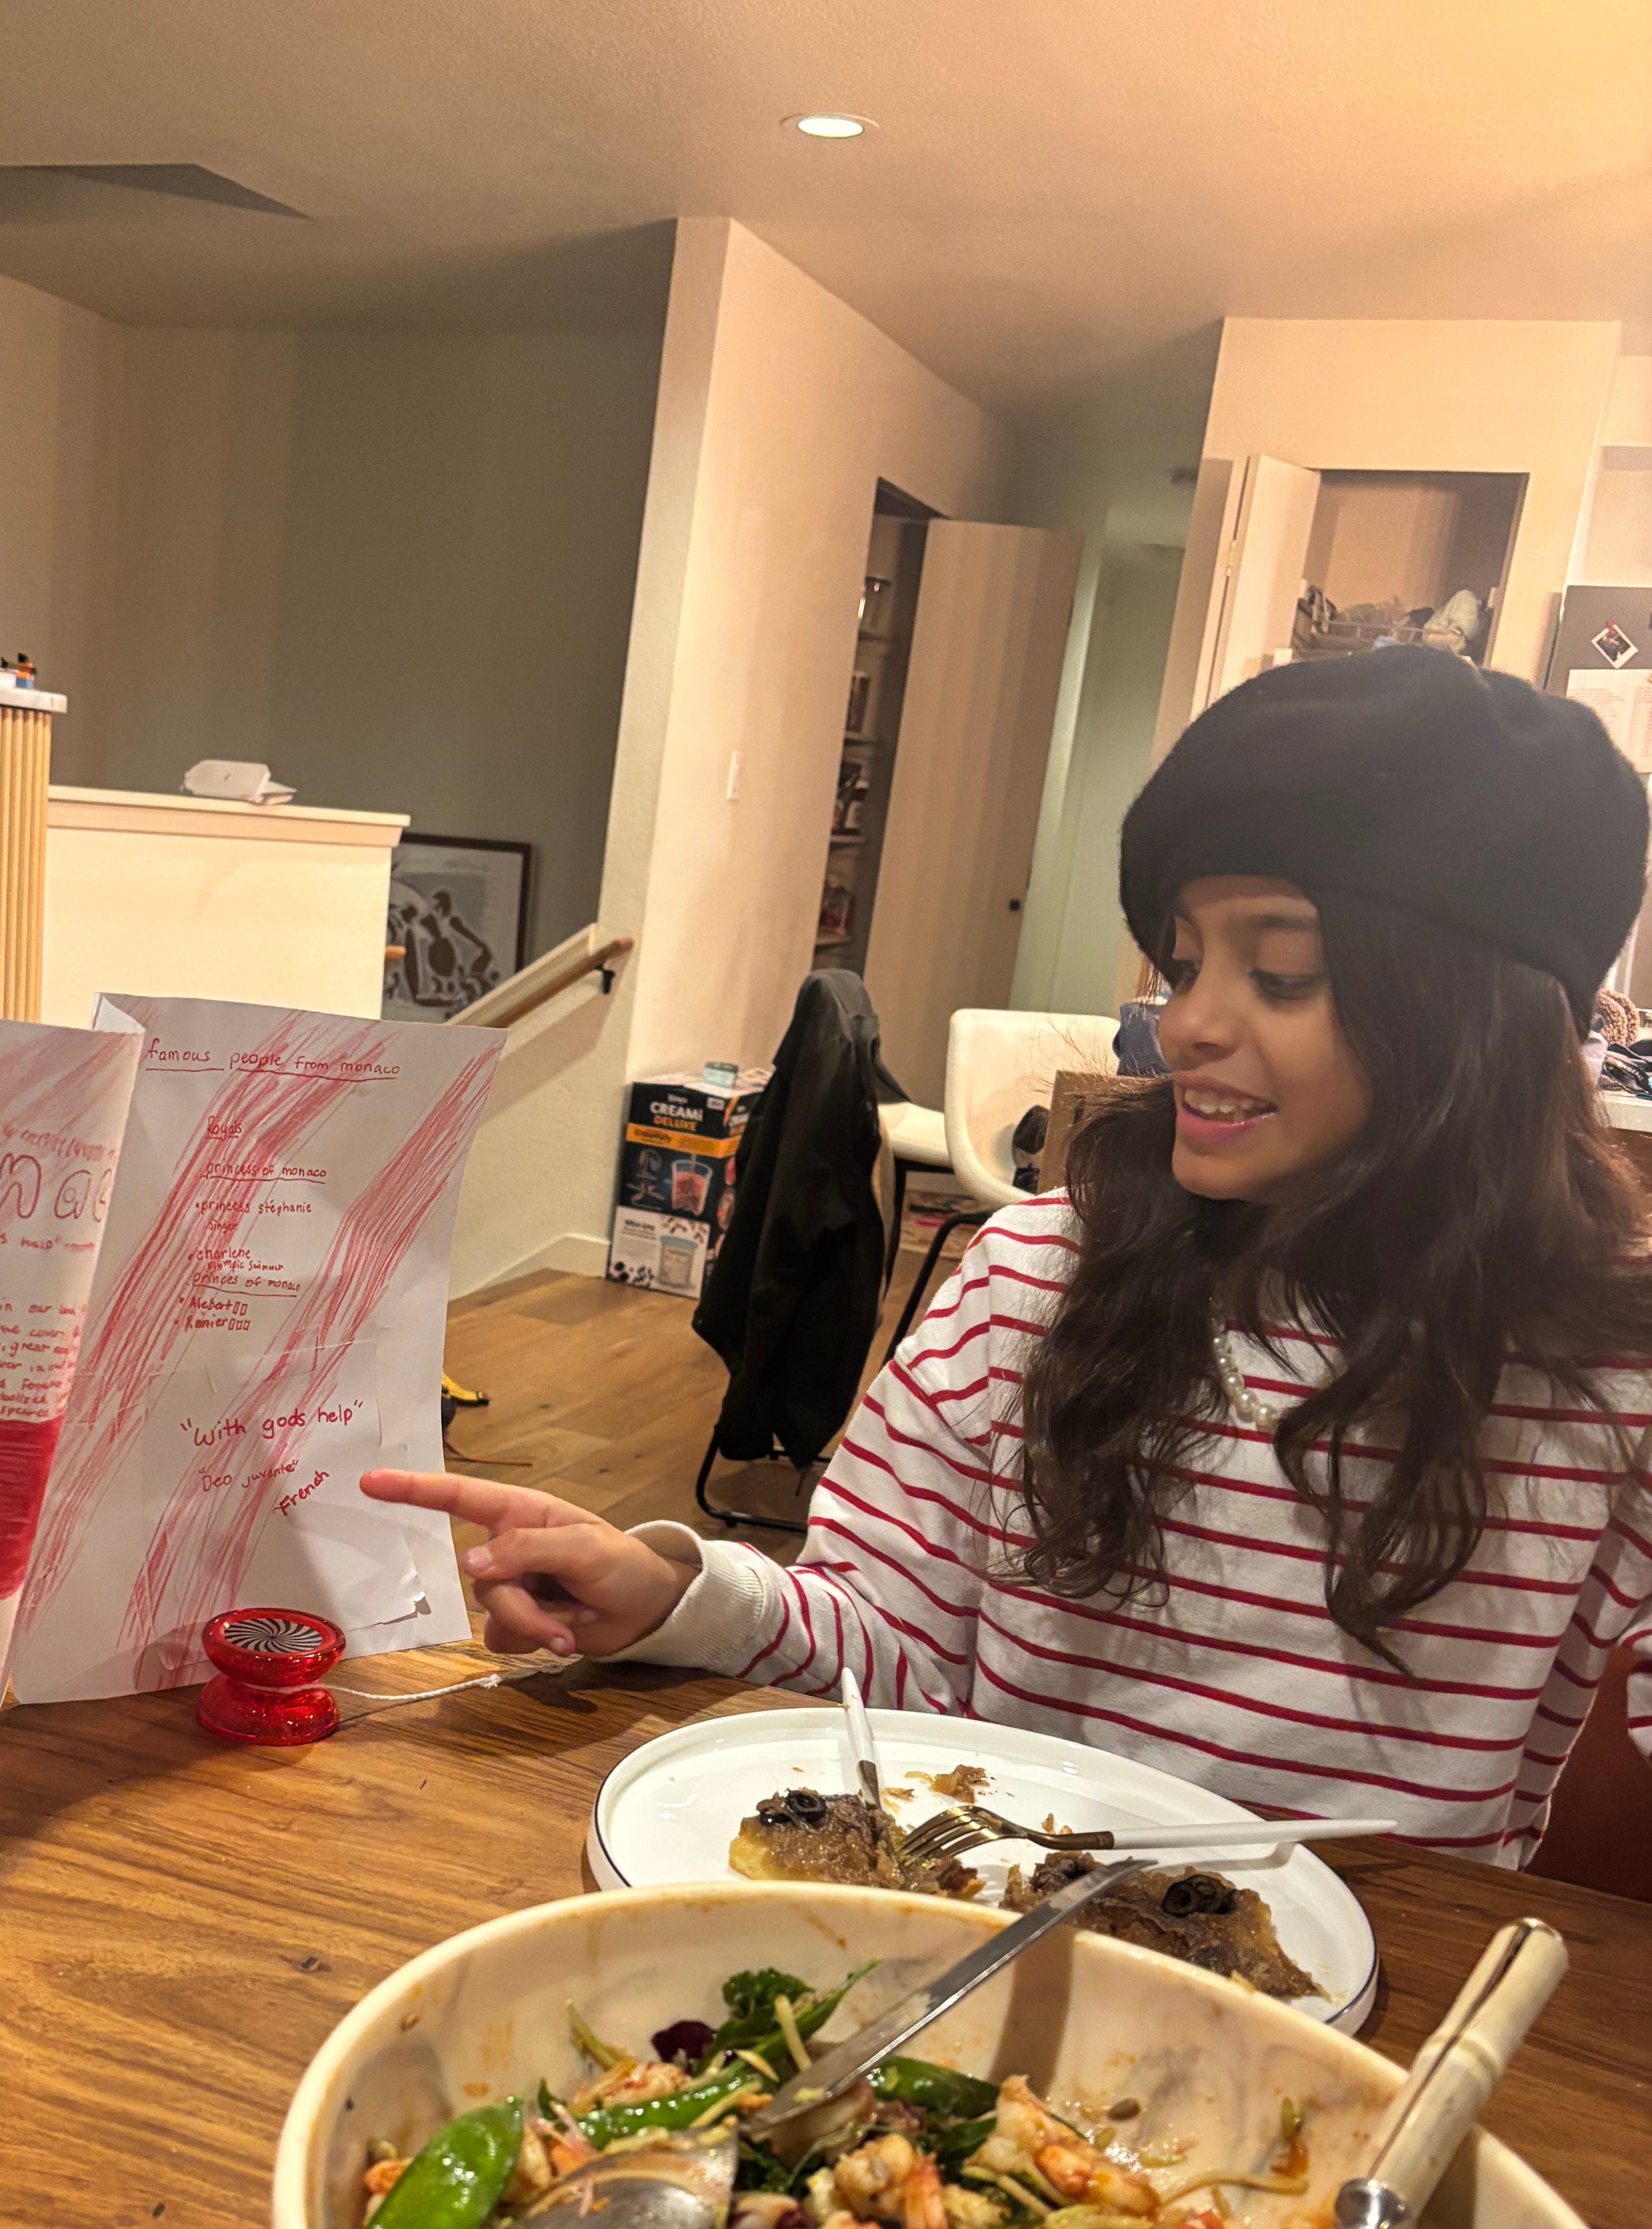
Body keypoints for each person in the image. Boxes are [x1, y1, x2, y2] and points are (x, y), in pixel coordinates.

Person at [366, 648, 1652, 1863]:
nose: (1185, 1027)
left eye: (1282, 975)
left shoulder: (1611, 1379)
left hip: (1394, 1996)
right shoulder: (1033, 1279)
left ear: (1476, 1021)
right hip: (998, 1948)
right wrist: (668, 1593)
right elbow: (889, 1647)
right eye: (1185, 964)